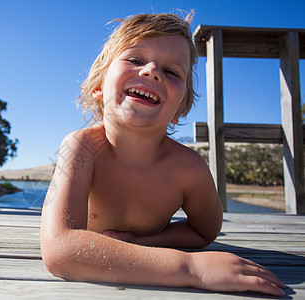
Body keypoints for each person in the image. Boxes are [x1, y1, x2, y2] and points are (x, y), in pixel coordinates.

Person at [40, 12, 285, 297]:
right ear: (98, 85)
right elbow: (59, 249)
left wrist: (141, 241)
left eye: (171, 72)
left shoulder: (188, 168)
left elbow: (204, 231)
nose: (152, 71)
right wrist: (193, 268)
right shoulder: (81, 148)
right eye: (134, 60)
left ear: (179, 111)